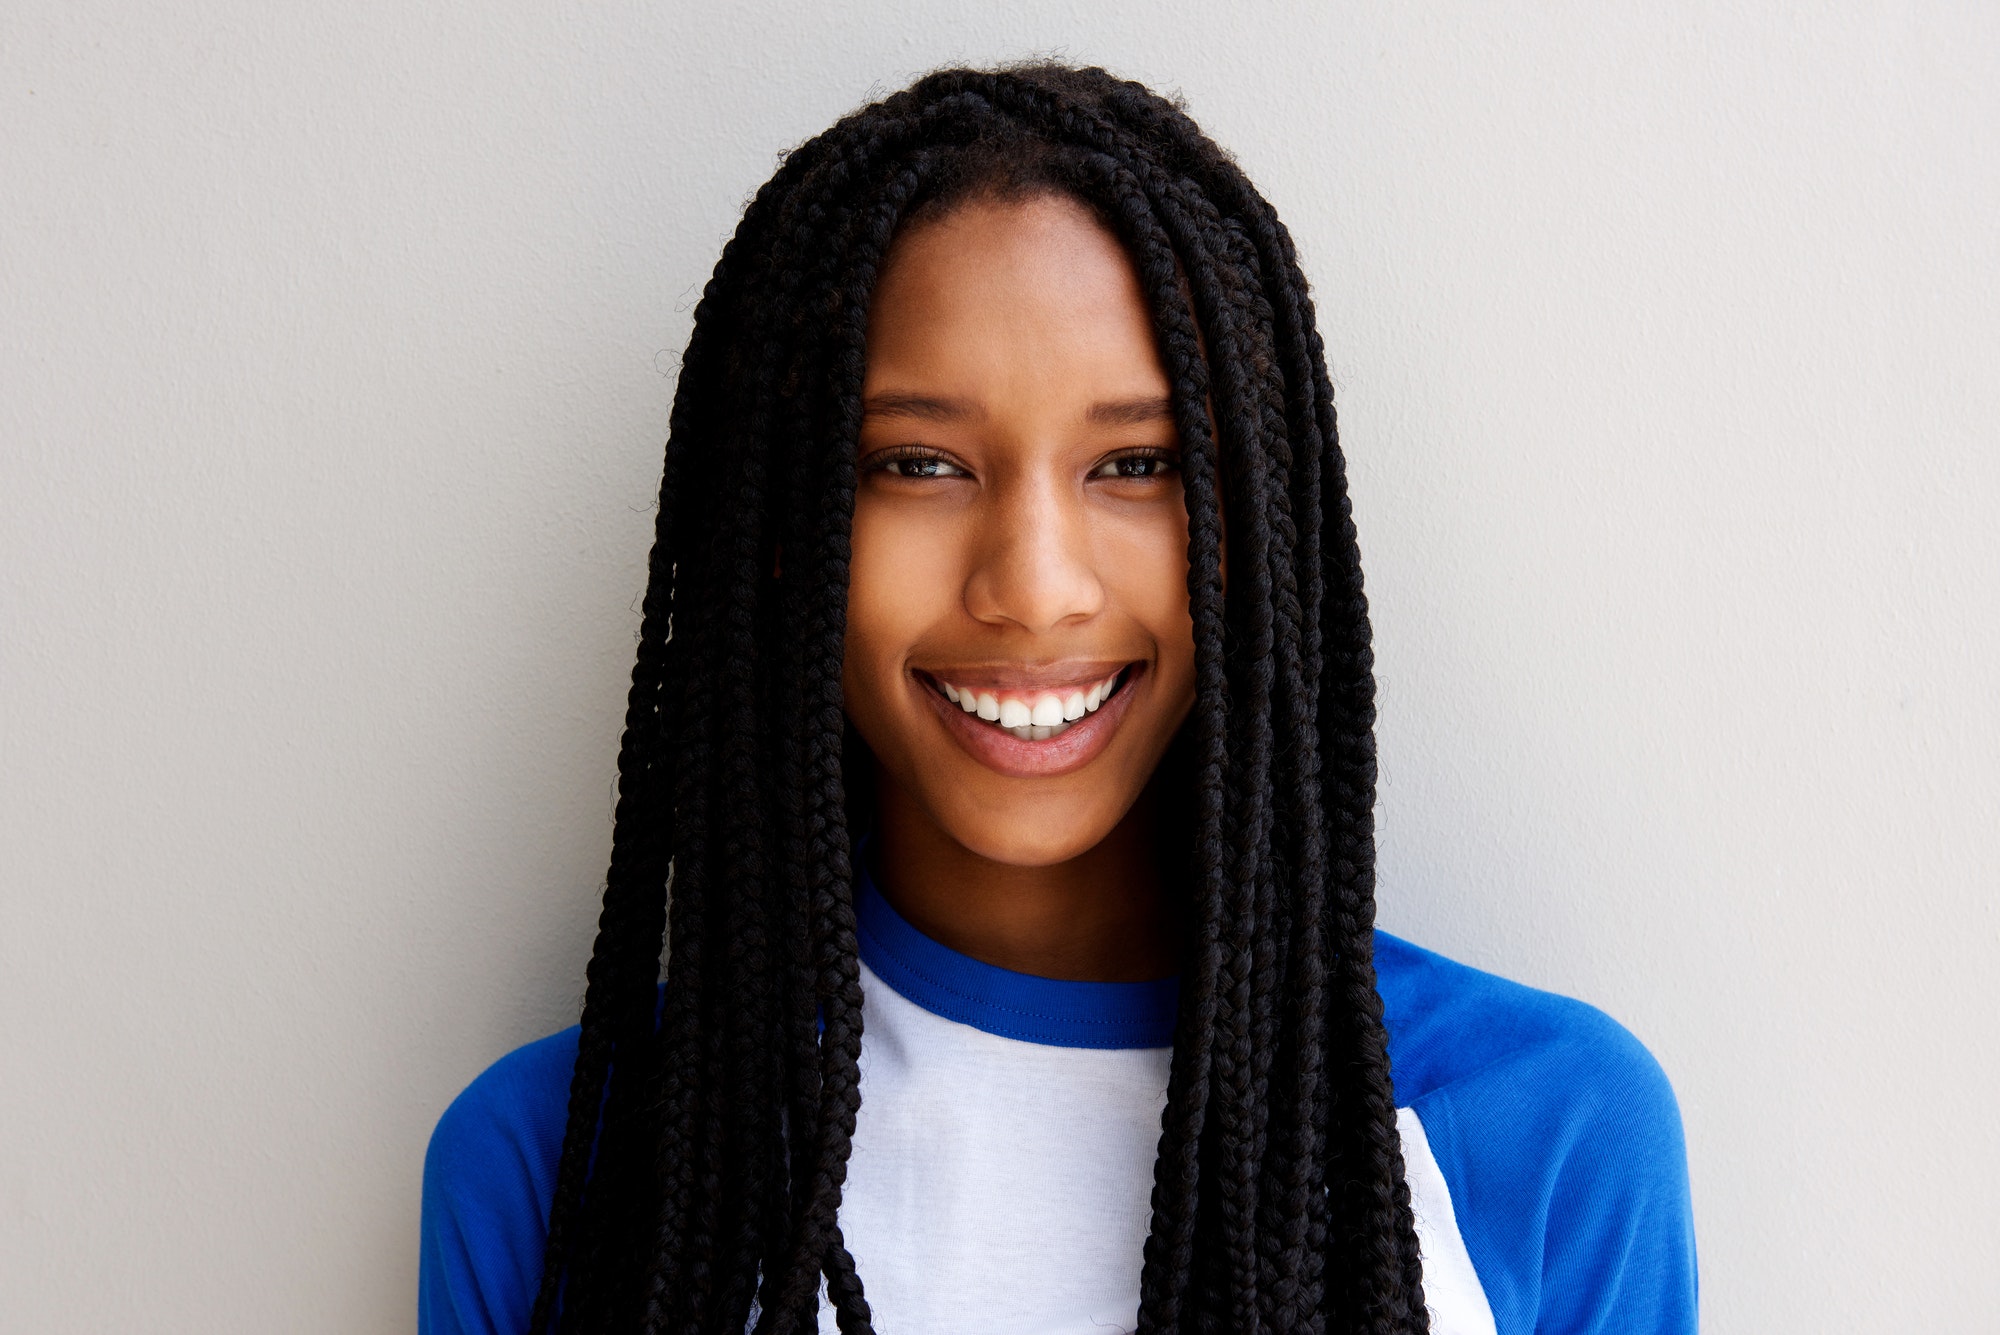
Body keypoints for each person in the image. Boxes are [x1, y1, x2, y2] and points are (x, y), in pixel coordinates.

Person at [418, 63, 1696, 1335]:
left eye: (1136, 464)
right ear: (777, 529)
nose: (1033, 588)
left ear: (1256, 523)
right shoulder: (559, 1173)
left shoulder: (1543, 1132)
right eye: (917, 464)